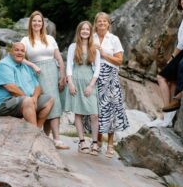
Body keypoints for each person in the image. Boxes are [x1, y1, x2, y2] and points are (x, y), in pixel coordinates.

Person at [20, 11, 69, 149]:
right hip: (38, 73)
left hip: (53, 71)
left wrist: (62, 76)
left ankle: (51, 138)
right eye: (34, 21)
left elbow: (59, 58)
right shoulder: (25, 40)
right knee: (47, 103)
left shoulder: (50, 39)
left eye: (39, 21)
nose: (37, 23)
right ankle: (54, 139)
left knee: (56, 103)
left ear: (43, 24)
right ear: (31, 23)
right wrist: (32, 64)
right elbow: (19, 57)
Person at [149, 0, 183, 127]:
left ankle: (166, 113)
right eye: (182, 0)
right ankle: (169, 118)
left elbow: (182, 41)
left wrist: (173, 56)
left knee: (161, 77)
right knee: (172, 82)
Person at [0, 42, 54, 127]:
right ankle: (33, 134)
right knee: (27, 101)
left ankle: (37, 131)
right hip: (3, 104)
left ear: (24, 54)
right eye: (16, 50)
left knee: (49, 100)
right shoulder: (4, 65)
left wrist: (34, 97)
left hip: (23, 101)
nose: (19, 53)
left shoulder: (25, 67)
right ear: (11, 51)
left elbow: (37, 86)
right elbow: (11, 88)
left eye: (22, 51)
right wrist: (29, 100)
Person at [92, 12, 129, 158]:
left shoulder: (114, 39)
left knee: (111, 109)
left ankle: (110, 144)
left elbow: (119, 61)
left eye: (104, 21)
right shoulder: (92, 38)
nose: (101, 24)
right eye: (99, 21)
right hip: (95, 75)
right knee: (97, 109)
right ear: (95, 24)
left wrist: (103, 54)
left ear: (108, 24)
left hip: (110, 76)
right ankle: (98, 141)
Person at [65, 21, 102, 155]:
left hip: (89, 82)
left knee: (94, 114)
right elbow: (69, 64)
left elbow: (97, 68)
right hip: (75, 80)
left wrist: (91, 85)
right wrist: (70, 82)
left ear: (90, 32)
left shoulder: (95, 49)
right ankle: (81, 142)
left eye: (87, 29)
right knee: (78, 113)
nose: (85, 31)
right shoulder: (73, 47)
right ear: (79, 31)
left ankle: (95, 142)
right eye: (83, 29)